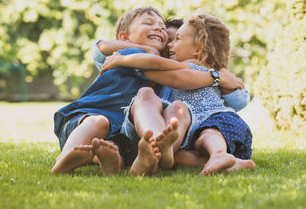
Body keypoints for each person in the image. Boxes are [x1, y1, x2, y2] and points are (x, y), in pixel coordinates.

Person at [51, 7, 236, 175]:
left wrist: (217, 77)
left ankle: (111, 164)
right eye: (149, 23)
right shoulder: (121, 55)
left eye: (163, 28)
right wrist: (147, 49)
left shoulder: (161, 74)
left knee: (114, 146)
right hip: (87, 117)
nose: (159, 29)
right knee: (98, 122)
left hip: (122, 130)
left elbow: (181, 76)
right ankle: (63, 159)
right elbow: (101, 46)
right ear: (124, 38)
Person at [100, 13, 256, 175]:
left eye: (177, 39)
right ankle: (232, 163)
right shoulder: (206, 69)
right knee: (182, 157)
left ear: (198, 48)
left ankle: (218, 154)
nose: (170, 45)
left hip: (217, 120)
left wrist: (123, 62)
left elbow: (157, 64)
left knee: (208, 135)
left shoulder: (192, 65)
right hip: (198, 130)